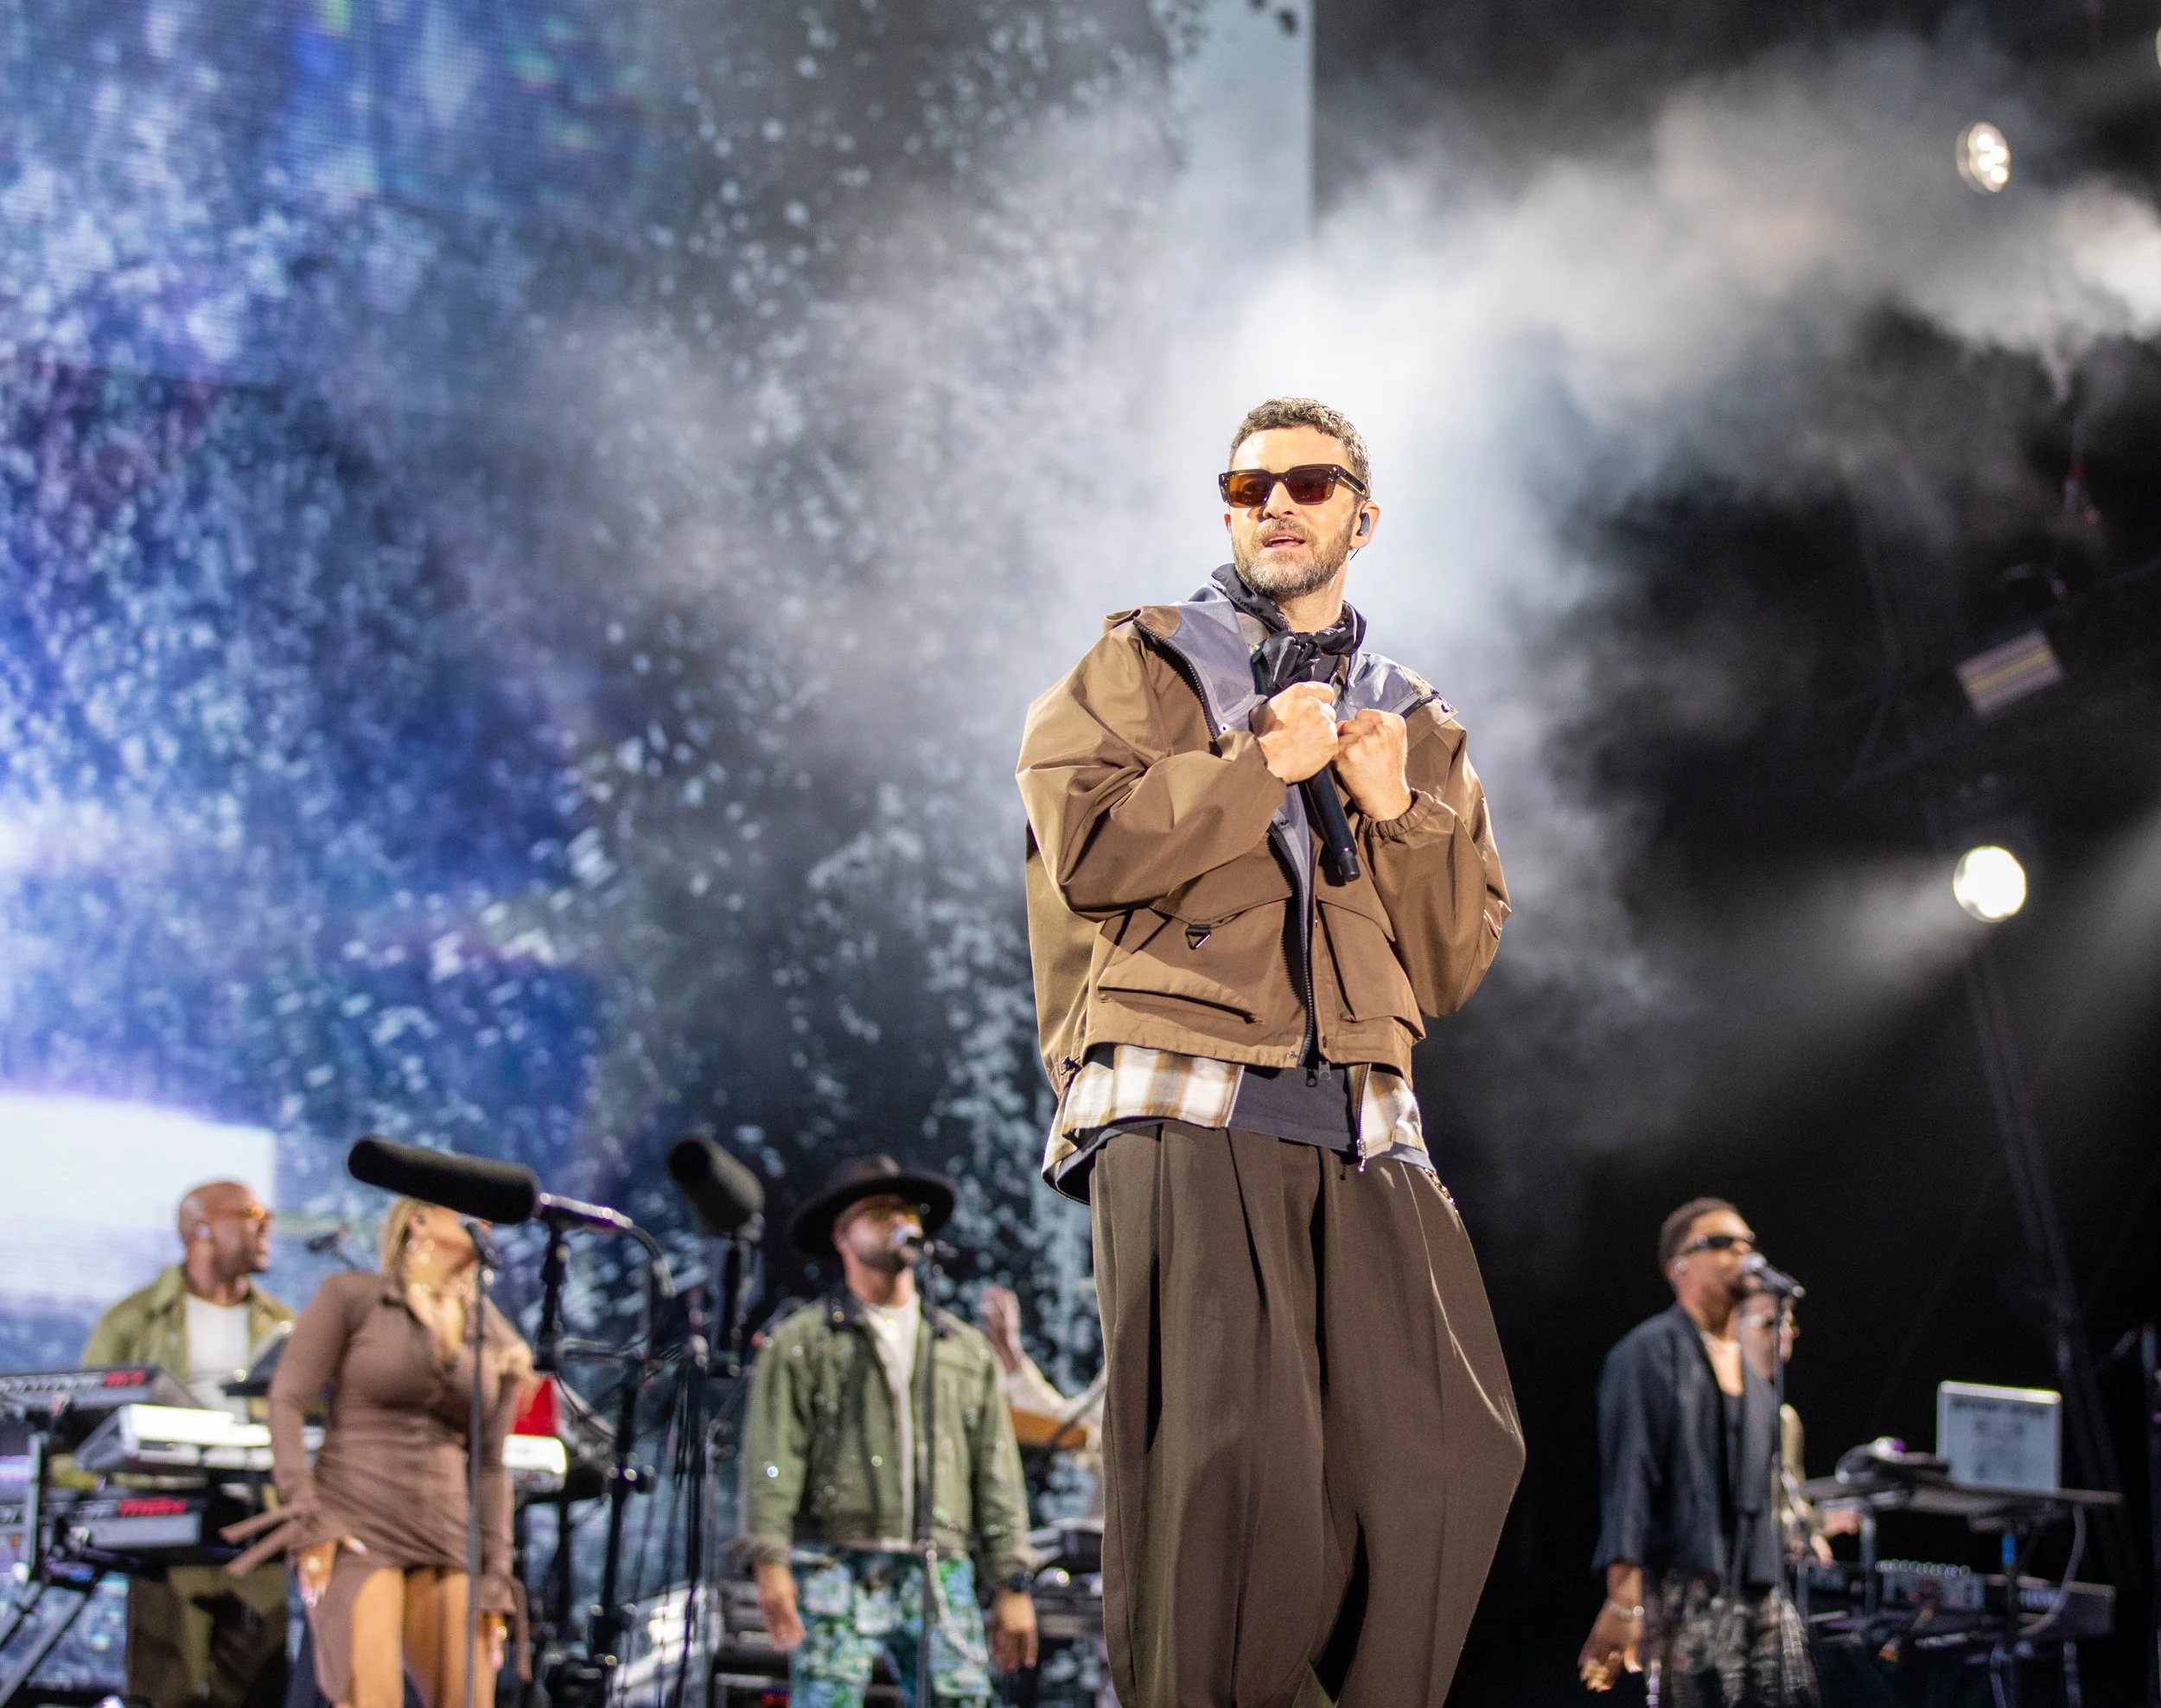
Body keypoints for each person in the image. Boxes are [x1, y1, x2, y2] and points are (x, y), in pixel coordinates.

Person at [1016, 396, 1523, 1707]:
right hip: (1187, 1096)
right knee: (1226, 1488)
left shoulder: (1409, 718)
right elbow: (1087, 849)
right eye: (1248, 489)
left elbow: (1454, 959)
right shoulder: (1149, 658)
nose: (1275, 505)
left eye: (1308, 482)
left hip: (1362, 1118)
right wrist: (1256, 764)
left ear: (1364, 512)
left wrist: (1396, 809)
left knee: (1445, 1456)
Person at [740, 1154, 1039, 1708]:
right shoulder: (802, 1341)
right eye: (876, 1212)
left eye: (904, 1211)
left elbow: (996, 1470)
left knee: (964, 1700)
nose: (896, 1221)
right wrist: (770, 1558)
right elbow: (774, 1456)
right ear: (841, 1237)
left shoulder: (963, 1349)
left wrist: (1011, 1582)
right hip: (835, 1562)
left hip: (940, 1566)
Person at [222, 1197, 532, 1708]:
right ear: (420, 1220)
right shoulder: (354, 1297)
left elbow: (491, 1464)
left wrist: (497, 1571)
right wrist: (308, 1513)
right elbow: (287, 1399)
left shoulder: (490, 1335)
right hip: (357, 1523)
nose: (484, 1227)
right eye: (466, 1216)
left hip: (446, 1531)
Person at [1580, 1199, 1814, 1706]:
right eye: (1722, 1243)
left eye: (1748, 1242)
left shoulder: (1757, 1375)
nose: (1743, 1252)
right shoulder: (1647, 1353)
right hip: (1683, 1585)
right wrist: (1625, 1600)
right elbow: (1630, 1479)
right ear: (1678, 1265)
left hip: (1759, 1586)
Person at [82, 1180, 295, 1708]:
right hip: (167, 1523)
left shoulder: (284, 1325)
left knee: (257, 1691)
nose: (265, 1224)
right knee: (163, 1689)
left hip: (256, 1523)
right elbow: (84, 1428)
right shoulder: (133, 1321)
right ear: (203, 1229)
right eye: (250, 1213)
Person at [1734, 1292, 1857, 1566]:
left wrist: (1816, 1526)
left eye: (1787, 1322)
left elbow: (1790, 1505)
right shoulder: (1715, 1409)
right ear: (1732, 1327)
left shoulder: (1785, 1421)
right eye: (1768, 1322)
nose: (1782, 1332)